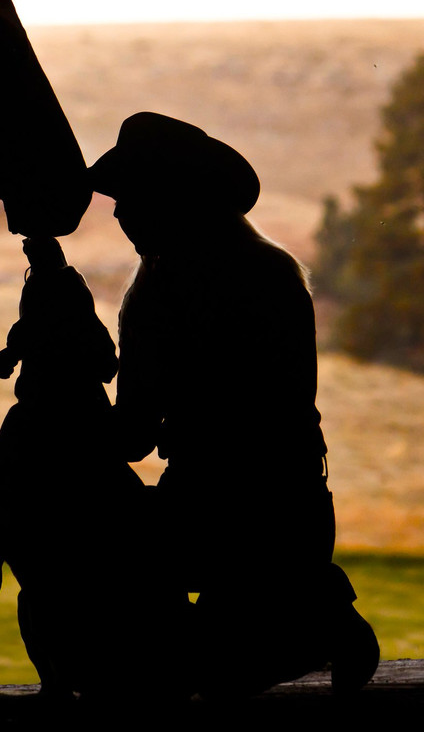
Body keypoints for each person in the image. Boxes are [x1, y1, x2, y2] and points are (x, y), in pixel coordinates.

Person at [90, 111, 379, 698]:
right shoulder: (274, 273)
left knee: (164, 657)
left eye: (131, 196)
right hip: (294, 510)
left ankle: (309, 617)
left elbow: (133, 437)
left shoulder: (156, 297)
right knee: (202, 665)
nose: (118, 211)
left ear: (171, 200)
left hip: (212, 513)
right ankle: (315, 604)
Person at [0, 237, 183, 711]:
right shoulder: (75, 327)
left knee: (4, 551)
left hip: (60, 424)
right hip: (76, 422)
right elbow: (106, 362)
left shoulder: (44, 336)